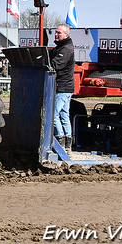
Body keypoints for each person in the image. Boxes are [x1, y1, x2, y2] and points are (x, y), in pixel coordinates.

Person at [50, 24, 75, 154]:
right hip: (65, 86)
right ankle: (68, 146)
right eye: (56, 32)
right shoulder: (61, 48)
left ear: (66, 34)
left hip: (63, 87)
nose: (56, 34)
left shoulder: (65, 50)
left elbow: (55, 64)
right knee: (64, 115)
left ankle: (60, 142)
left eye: (59, 33)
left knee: (54, 114)